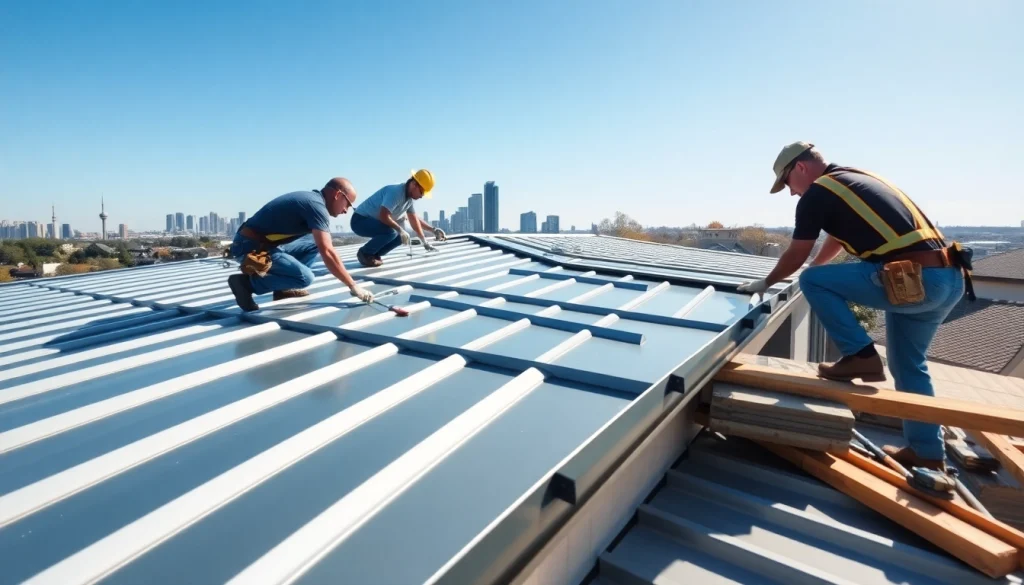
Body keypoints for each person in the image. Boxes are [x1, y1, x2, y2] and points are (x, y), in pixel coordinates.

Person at [737, 141, 972, 471]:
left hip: (914, 279)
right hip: (945, 279)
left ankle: (861, 358)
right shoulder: (855, 180)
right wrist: (817, 266)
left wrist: (767, 282)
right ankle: (927, 453)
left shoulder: (818, 192)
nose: (791, 193)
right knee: (909, 366)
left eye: (787, 183)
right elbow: (836, 238)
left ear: (800, 168)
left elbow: (797, 252)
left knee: (811, 282)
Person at [227, 177, 374, 312]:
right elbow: (328, 251)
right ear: (337, 195)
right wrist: (353, 286)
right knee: (305, 278)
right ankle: (246, 284)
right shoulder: (316, 206)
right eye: (347, 204)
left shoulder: (314, 201)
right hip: (248, 247)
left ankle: (284, 287)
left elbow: (322, 244)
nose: (345, 211)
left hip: (260, 244)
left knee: (313, 243)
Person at [350, 169, 447, 266]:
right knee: (391, 232)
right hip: (359, 221)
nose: (422, 196)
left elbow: (414, 220)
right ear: (414, 184)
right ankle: (365, 253)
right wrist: (400, 230)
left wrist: (430, 234)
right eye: (422, 192)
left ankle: (374, 255)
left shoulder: (408, 200)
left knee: (401, 238)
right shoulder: (396, 193)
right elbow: (383, 216)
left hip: (371, 223)